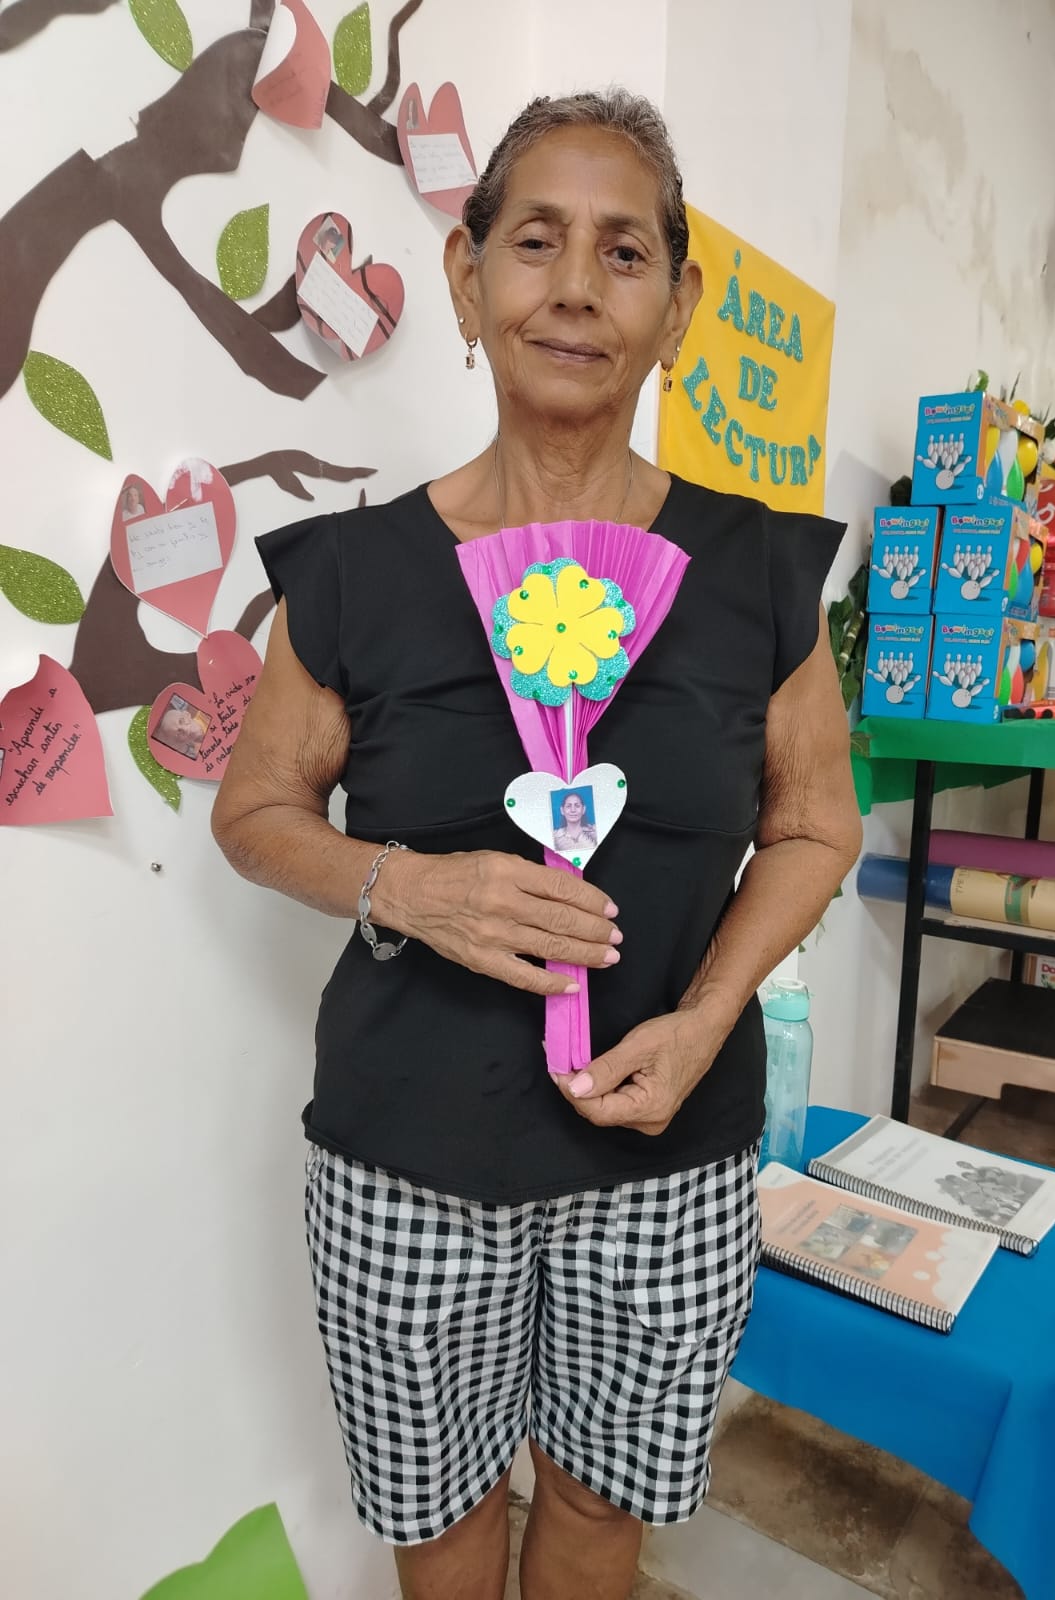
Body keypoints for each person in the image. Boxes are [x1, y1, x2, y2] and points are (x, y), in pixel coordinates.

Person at [213, 89, 860, 1600]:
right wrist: (407, 887)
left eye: (625, 253)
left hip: (669, 1155)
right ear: (467, 279)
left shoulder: (757, 571)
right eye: (534, 242)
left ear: (677, 308)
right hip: (405, 1163)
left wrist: (707, 1018)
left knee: (595, 1518)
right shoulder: (356, 576)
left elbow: (814, 824)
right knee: (439, 1527)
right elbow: (255, 816)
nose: (575, 287)